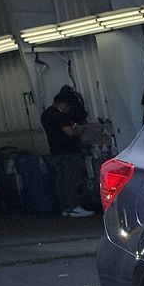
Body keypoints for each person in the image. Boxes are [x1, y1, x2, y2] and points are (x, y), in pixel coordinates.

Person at [41, 88, 92, 217]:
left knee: (61, 179)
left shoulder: (45, 114)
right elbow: (70, 132)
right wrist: (80, 129)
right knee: (71, 178)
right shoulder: (58, 115)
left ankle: (65, 207)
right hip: (68, 151)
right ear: (62, 104)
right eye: (68, 107)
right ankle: (74, 205)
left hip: (55, 151)